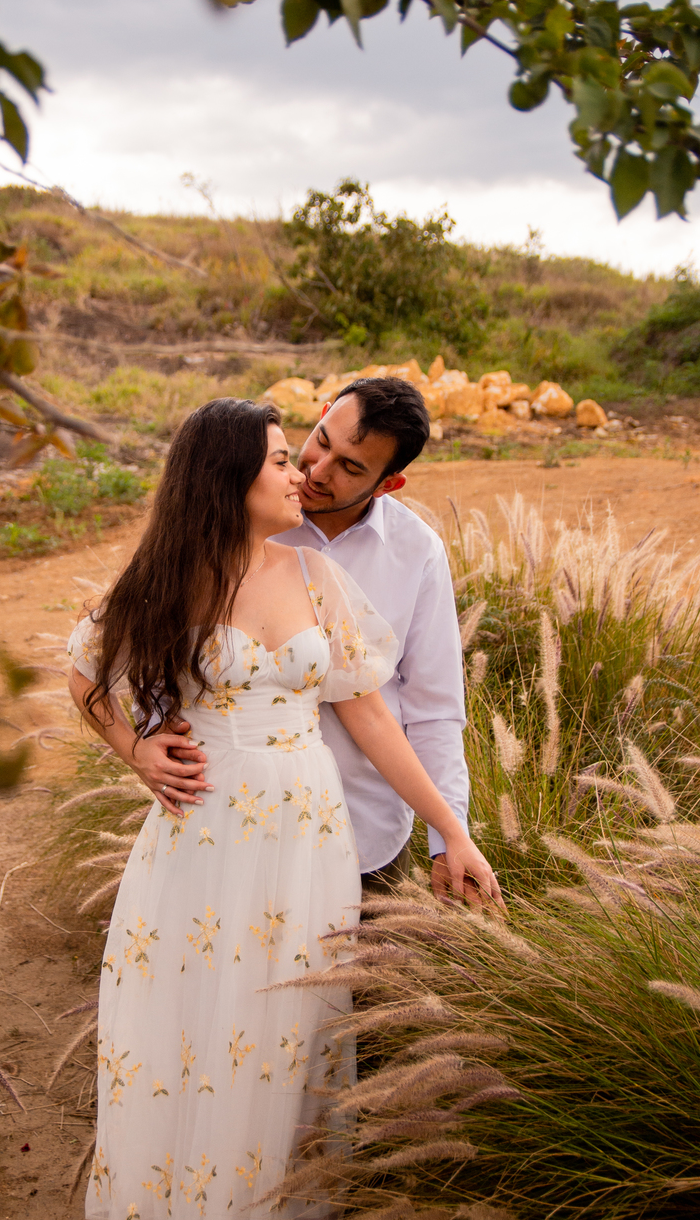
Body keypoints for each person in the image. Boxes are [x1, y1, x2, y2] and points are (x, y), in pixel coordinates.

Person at [67, 398, 501, 1220]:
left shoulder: (316, 573)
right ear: (228, 478)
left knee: (306, 1048)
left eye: (304, 460)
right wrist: (138, 753)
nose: (298, 473)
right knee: (209, 1045)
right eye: (280, 458)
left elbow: (378, 718)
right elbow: (86, 677)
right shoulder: (171, 575)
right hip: (204, 844)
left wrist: (457, 831)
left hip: (309, 843)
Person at [152, 377, 471, 900]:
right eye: (322, 440)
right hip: (232, 822)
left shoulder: (418, 554)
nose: (316, 472)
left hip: (367, 832)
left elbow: (433, 710)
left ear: (389, 484)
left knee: (358, 984)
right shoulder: (245, 517)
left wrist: (448, 836)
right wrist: (146, 744)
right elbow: (160, 647)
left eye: (351, 467)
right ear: (322, 413)